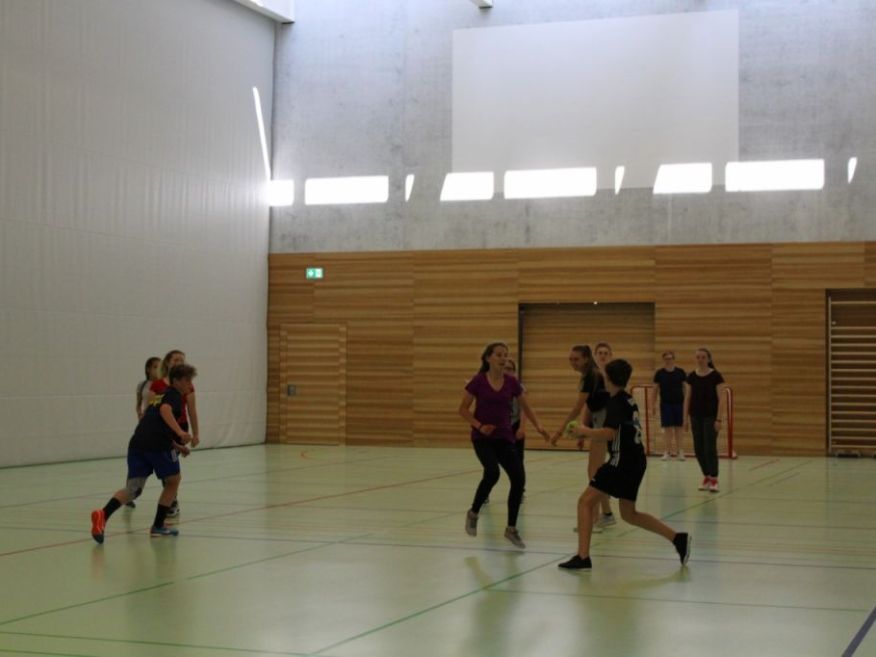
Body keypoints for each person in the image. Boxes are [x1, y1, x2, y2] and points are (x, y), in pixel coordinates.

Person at [558, 359, 691, 570]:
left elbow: (609, 433)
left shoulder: (616, 403)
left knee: (585, 502)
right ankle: (678, 538)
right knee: (629, 514)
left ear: (608, 378)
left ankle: (583, 557)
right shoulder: (627, 399)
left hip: (621, 461)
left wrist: (584, 431)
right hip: (636, 460)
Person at [90, 364, 198, 543]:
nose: (190, 384)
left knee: (133, 489)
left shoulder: (161, 394)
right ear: (176, 380)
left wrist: (177, 446)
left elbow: (154, 423)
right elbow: (165, 411)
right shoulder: (174, 396)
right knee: (173, 480)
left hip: (138, 443)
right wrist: (180, 432)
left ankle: (103, 515)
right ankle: (158, 526)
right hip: (157, 447)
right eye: (187, 380)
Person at [459, 342, 549, 549]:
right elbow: (463, 409)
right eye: (498, 355)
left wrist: (539, 426)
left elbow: (526, 407)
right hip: (482, 438)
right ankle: (473, 512)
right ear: (488, 358)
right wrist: (479, 426)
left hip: (504, 438)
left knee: (519, 480)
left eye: (505, 355)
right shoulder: (478, 381)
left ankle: (511, 529)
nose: (503, 358)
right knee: (492, 473)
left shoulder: (511, 382)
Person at [550, 345, 614, 530]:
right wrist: (584, 431)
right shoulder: (589, 375)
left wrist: (559, 431)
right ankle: (607, 514)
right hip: (599, 420)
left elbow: (577, 407)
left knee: (594, 472)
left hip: (605, 421)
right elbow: (589, 407)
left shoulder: (592, 375)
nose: (573, 362)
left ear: (586, 358)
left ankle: (595, 518)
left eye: (576, 359)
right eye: (570, 359)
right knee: (596, 471)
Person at [147, 349, 200, 516]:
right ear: (168, 362)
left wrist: (196, 433)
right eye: (176, 360)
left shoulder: (188, 385)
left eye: (182, 360)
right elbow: (150, 410)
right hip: (161, 428)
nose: (179, 362)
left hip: (180, 427)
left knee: (170, 462)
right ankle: (170, 500)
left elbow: (192, 410)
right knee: (165, 463)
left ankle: (171, 500)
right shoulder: (157, 385)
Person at [684, 347, 727, 492]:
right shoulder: (691, 376)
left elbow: (721, 399)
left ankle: (714, 478)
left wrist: (719, 419)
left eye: (703, 357)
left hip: (711, 417)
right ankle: (706, 476)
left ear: (708, 359)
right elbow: (687, 398)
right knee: (698, 449)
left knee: (709, 448)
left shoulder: (716, 376)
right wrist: (685, 419)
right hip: (695, 417)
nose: (700, 360)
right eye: (698, 357)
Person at [652, 351, 687, 461]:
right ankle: (667, 452)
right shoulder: (659, 373)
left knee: (679, 428)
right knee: (667, 429)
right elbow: (655, 390)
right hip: (665, 404)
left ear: (673, 359)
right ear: (664, 360)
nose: (668, 360)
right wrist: (653, 404)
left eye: (670, 358)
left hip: (679, 404)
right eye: (666, 358)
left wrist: (687, 403)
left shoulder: (681, 372)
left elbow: (686, 388)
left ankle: (680, 452)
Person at [504, 358, 527, 498]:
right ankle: (486, 492)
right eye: (504, 368)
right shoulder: (494, 385)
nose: (507, 371)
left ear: (514, 372)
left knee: (518, 460)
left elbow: (524, 409)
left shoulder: (519, 387)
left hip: (515, 424)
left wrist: (522, 428)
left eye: (510, 369)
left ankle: (520, 489)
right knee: (492, 462)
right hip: (500, 427)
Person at [136, 357, 161, 421]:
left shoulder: (164, 385)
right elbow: (139, 402)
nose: (158, 370)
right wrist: (139, 414)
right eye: (155, 367)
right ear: (148, 369)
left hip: (159, 417)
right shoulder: (142, 384)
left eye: (160, 367)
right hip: (145, 417)